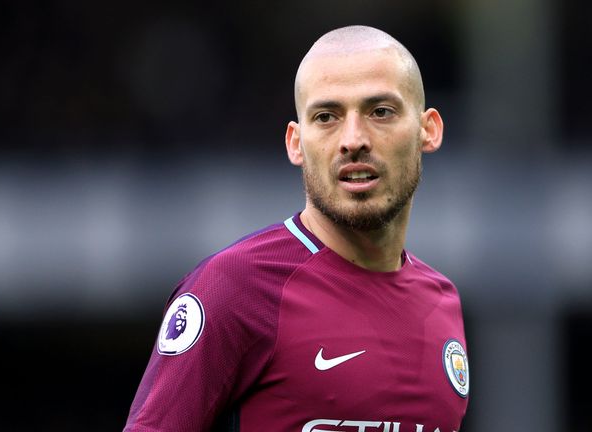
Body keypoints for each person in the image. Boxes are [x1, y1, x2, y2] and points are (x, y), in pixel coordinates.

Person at [124, 25, 469, 432]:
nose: (353, 139)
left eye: (380, 112)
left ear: (428, 129)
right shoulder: (233, 289)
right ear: (295, 142)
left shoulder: (442, 304)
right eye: (327, 117)